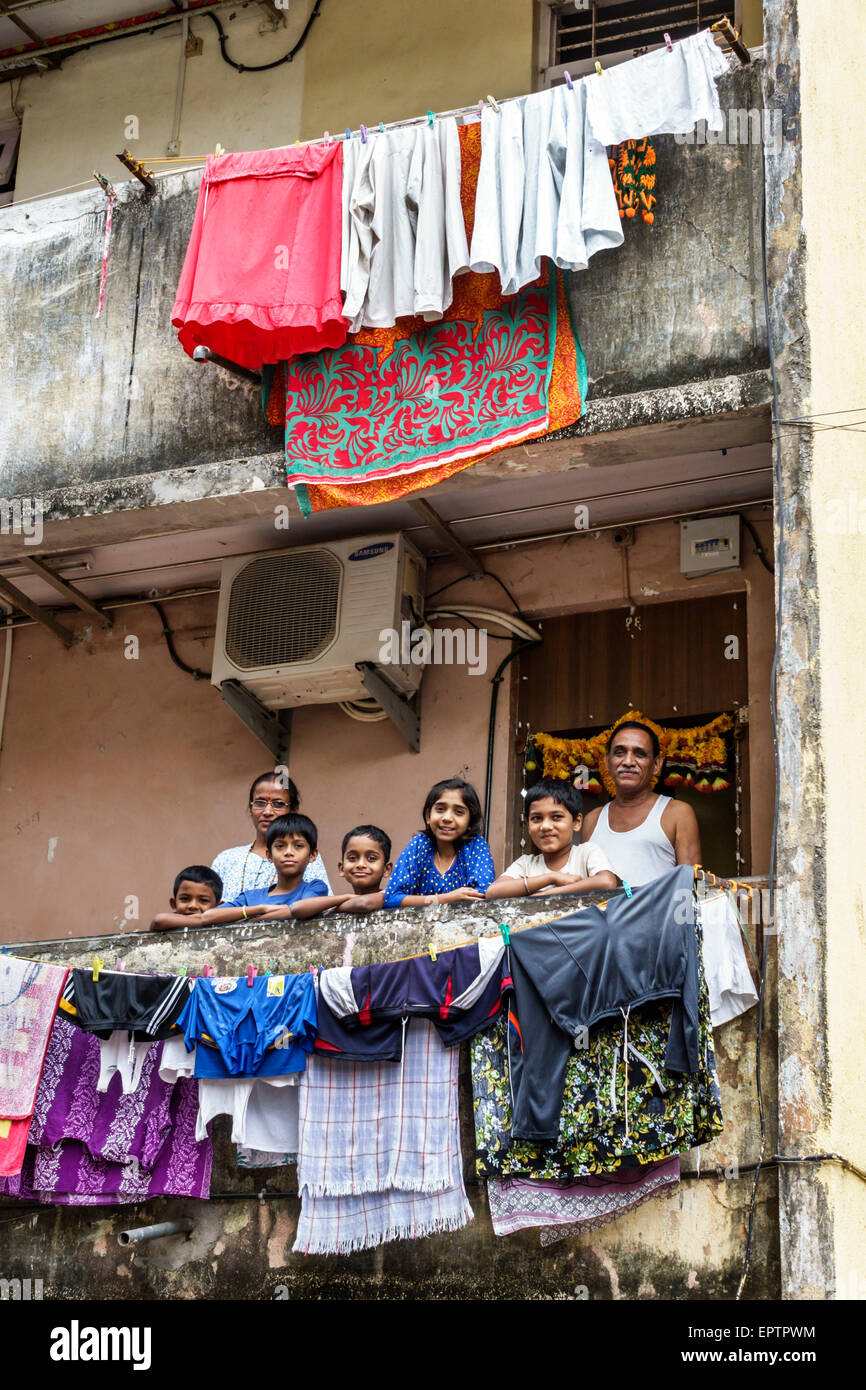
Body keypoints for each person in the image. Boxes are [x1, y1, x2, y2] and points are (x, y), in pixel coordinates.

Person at [582, 720, 701, 886]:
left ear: (657, 764)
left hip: (659, 912)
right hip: (602, 913)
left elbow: (692, 887)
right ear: (607, 761)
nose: (628, 762)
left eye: (640, 754)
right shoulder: (592, 820)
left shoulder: (677, 813)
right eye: (619, 753)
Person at [486, 778, 618, 899]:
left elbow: (606, 882)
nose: (545, 826)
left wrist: (545, 895)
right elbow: (493, 892)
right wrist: (551, 878)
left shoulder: (586, 853)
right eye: (536, 818)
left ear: (576, 822)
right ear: (527, 825)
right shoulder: (526, 864)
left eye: (556, 817)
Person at [211, 772, 332, 902]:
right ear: (250, 808)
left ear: (293, 810)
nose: (267, 812)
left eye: (278, 804)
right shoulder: (226, 860)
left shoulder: (306, 857)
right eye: (260, 803)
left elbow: (321, 907)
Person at [202, 814, 342, 925]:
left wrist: (252, 920)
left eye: (298, 846)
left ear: (312, 855)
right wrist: (260, 909)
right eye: (280, 846)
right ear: (269, 855)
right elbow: (209, 916)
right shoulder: (250, 897)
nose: (288, 852)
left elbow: (300, 910)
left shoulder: (314, 888)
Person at [383, 778, 495, 909]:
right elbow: (392, 898)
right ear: (428, 816)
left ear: (470, 822)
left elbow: (481, 894)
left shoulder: (475, 846)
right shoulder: (419, 844)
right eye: (440, 809)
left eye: (459, 812)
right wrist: (445, 898)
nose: (447, 818)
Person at [335, 825, 393, 913]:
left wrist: (335, 909)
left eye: (372, 858)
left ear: (386, 869)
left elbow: (363, 903)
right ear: (341, 868)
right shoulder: (345, 903)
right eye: (352, 858)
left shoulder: (388, 896)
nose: (361, 865)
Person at [149, 865, 223, 931]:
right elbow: (159, 920)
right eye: (185, 899)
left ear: (218, 907)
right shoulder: (168, 924)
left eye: (203, 900)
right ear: (174, 904)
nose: (193, 906)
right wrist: (208, 919)